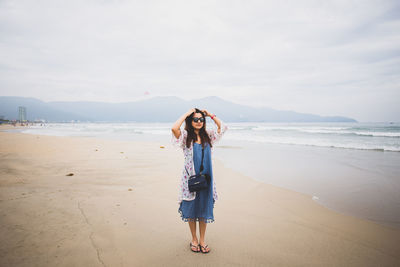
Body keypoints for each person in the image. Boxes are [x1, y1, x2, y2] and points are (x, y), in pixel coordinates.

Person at [171, 108, 228, 253]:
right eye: (195, 119)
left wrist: (210, 115)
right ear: (190, 121)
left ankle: (202, 240)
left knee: (203, 209)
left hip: (206, 180)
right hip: (190, 180)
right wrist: (186, 114)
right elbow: (174, 128)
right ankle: (194, 239)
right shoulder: (185, 136)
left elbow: (224, 127)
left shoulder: (209, 136)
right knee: (191, 209)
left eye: (201, 119)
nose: (199, 122)